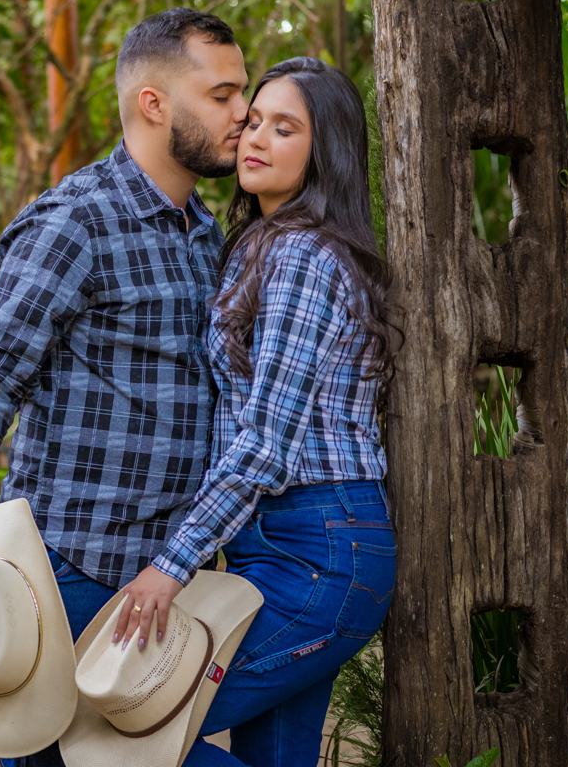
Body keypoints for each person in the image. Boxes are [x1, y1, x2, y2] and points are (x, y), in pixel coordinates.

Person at [0, 7, 249, 767]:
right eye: (222, 94)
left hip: (163, 577)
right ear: (153, 104)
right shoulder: (74, 222)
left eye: (243, 93)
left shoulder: (202, 230)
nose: (243, 112)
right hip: (71, 567)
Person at [115, 57, 401, 767]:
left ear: (324, 149)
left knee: (126, 724)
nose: (255, 138)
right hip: (276, 546)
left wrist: (170, 566)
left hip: (319, 549)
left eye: (285, 127)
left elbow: (265, 444)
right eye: (252, 122)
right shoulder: (255, 247)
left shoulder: (303, 255)